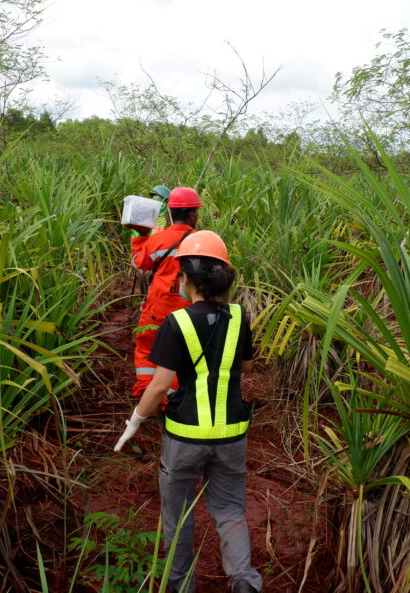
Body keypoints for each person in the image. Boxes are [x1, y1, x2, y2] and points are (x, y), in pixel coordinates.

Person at [114, 231, 262, 593]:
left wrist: (134, 423)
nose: (177, 280)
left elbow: (160, 386)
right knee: (229, 512)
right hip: (231, 434)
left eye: (180, 274)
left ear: (190, 278)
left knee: (177, 519)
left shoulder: (176, 323)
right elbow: (242, 368)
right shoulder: (240, 317)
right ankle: (244, 582)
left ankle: (181, 587)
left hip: (185, 436)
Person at [125, 186, 203, 399]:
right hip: (189, 312)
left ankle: (146, 397)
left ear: (170, 212)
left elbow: (139, 266)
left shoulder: (157, 239)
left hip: (156, 312)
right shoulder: (201, 241)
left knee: (146, 352)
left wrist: (140, 237)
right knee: (180, 354)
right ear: (192, 214)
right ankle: (171, 400)